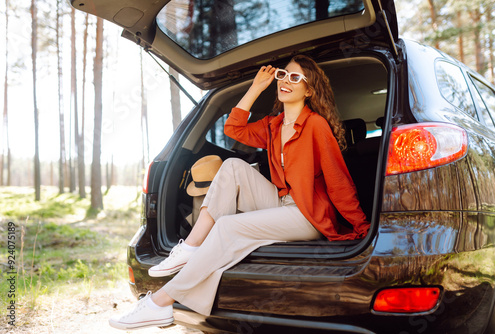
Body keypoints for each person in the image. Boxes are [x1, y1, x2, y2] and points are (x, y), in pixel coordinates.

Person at [109, 55, 370, 330]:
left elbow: (338, 181)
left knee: (227, 227)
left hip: (307, 215)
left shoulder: (316, 125)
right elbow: (233, 128)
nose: (285, 81)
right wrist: (256, 86)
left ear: (309, 90)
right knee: (232, 165)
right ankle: (190, 247)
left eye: (295, 78)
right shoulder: (273, 125)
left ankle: (160, 303)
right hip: (281, 203)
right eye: (283, 75)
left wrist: (362, 227)